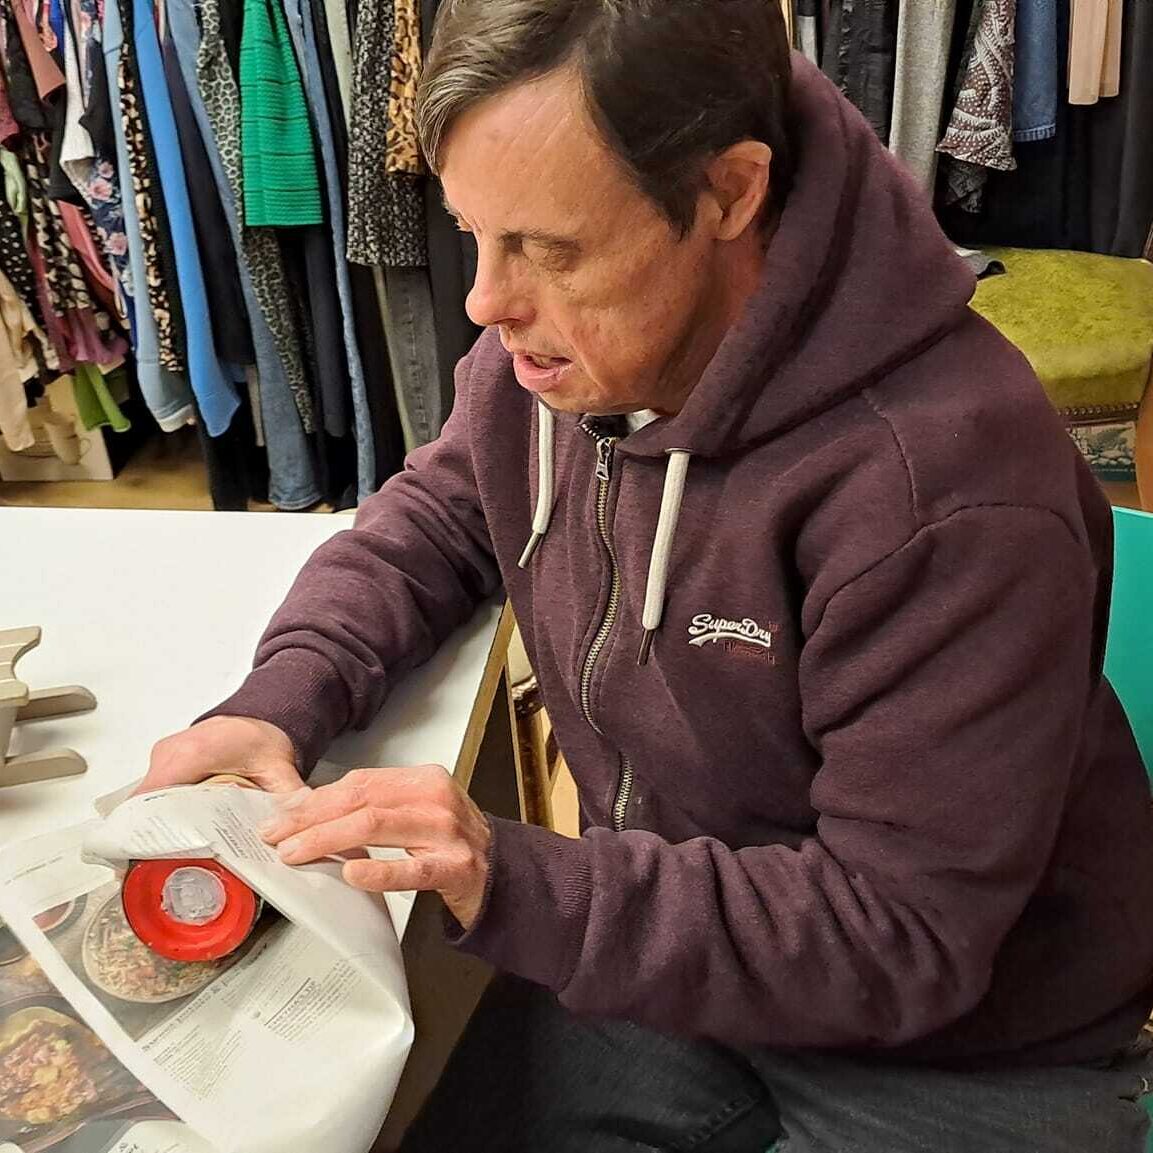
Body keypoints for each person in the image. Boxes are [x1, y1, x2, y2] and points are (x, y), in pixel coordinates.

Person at [142, 2, 1153, 1149]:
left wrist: (517, 880)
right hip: (690, 932)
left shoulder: (946, 492)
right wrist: (282, 694)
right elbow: (442, 509)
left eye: (551, 248)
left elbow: (900, 937)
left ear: (728, 193)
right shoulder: (565, 351)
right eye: (473, 230)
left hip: (969, 1043)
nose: (486, 302)